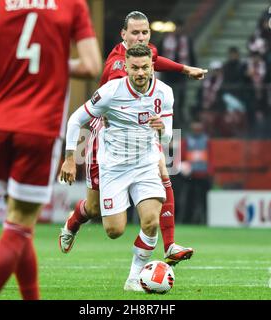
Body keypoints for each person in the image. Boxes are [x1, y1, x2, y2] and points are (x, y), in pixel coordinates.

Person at [0, 0, 101, 300]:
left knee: (19, 222)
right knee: (18, 228)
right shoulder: (71, 5)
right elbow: (90, 66)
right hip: (38, 128)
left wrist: (4, 91)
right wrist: (52, 64)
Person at [59, 11, 207, 266]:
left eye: (145, 32)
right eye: (135, 33)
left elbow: (155, 61)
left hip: (139, 135)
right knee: (95, 211)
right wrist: (71, 157)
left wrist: (184, 69)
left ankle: (169, 244)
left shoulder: (145, 54)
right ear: (123, 35)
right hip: (105, 135)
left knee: (163, 167)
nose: (141, 38)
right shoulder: (118, 65)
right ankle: (74, 221)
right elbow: (126, 89)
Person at [61, 44, 173, 291]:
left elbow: (167, 140)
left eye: (145, 67)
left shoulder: (164, 93)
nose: (140, 73)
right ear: (127, 66)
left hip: (145, 165)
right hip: (113, 167)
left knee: (151, 221)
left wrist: (162, 130)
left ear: (152, 66)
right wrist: (70, 157)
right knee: (114, 230)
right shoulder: (111, 91)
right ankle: (73, 220)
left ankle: (134, 278)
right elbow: (75, 119)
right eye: (135, 68)